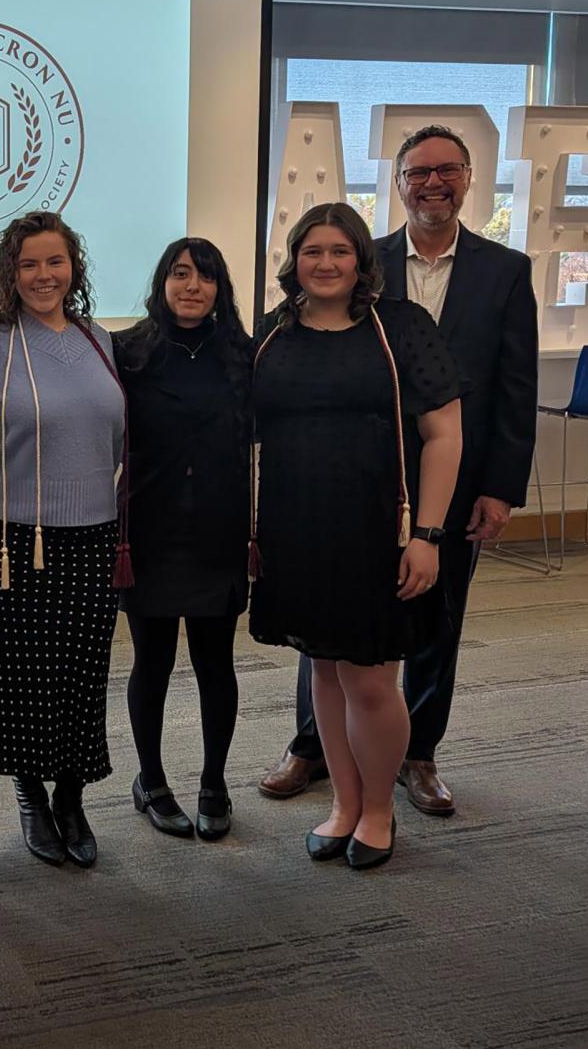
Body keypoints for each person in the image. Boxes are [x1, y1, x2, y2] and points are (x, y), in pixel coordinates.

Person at [259, 126, 538, 816]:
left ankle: (416, 757)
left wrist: (492, 492)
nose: (432, 183)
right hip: (315, 506)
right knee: (323, 650)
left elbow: (511, 390)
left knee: (424, 632)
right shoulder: (332, 283)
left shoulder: (499, 272)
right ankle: (316, 753)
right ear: (398, 182)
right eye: (417, 172)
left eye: (447, 170)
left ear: (469, 178)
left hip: (429, 498)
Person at [250, 200, 463, 870]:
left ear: (361, 259)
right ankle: (344, 802)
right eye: (312, 251)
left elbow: (444, 433)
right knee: (325, 675)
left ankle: (378, 809)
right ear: (294, 261)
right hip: (297, 531)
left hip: (380, 532)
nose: (326, 263)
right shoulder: (273, 332)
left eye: (340, 250)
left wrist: (427, 533)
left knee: (371, 681)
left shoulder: (399, 327)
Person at [0, 211, 127, 869]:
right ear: (10, 272)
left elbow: (111, 434)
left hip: (91, 531)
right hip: (8, 536)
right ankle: (30, 793)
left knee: (81, 674)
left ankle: (73, 795)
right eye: (29, 264)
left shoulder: (101, 340)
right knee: (17, 673)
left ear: (72, 267)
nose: (43, 275)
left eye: (55, 262)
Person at [113, 238, 252, 842]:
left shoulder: (245, 355)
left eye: (206, 277)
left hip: (219, 531)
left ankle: (215, 782)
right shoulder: (128, 351)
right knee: (154, 661)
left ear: (221, 288)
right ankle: (151, 780)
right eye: (180, 273)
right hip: (150, 530)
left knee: (216, 662)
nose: (192, 286)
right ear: (162, 281)